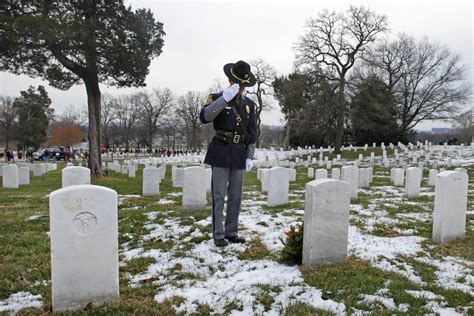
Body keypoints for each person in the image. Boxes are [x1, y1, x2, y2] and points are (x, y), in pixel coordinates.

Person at [200, 60, 257, 247]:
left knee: (235, 196)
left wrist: (250, 155)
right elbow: (205, 117)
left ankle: (231, 232)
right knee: (219, 196)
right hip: (221, 150)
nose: (240, 88)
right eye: (238, 84)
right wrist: (224, 98)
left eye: (243, 85)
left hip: (239, 152)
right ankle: (218, 235)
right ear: (230, 80)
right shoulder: (216, 97)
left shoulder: (249, 104)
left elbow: (252, 132)